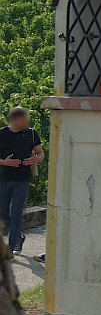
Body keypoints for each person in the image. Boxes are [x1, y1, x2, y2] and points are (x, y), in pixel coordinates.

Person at [0, 107, 42, 255]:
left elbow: (40, 152)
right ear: (14, 120)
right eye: (23, 119)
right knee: (3, 213)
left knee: (16, 214)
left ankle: (11, 248)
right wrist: (4, 162)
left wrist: (36, 159)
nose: (26, 121)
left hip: (22, 179)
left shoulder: (31, 133)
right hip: (4, 178)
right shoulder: (2, 133)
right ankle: (19, 236)